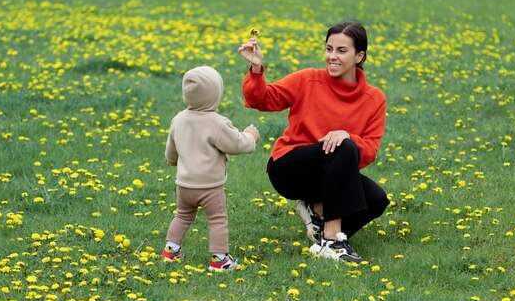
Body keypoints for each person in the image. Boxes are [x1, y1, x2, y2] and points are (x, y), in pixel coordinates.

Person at [237, 21, 390, 263]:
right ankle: (332, 239)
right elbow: (263, 100)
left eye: (342, 51)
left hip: (331, 174)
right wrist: (256, 69)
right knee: (342, 145)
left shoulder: (374, 99)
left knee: (377, 199)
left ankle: (318, 222)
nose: (332, 57)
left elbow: (370, 150)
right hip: (289, 167)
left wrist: (348, 135)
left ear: (359, 56)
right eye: (329, 49)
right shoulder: (308, 79)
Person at [162, 66, 260, 272]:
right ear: (216, 94)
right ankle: (220, 259)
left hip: (184, 185)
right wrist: (251, 136)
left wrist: (171, 161)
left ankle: (171, 251)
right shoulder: (217, 123)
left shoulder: (178, 119)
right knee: (217, 220)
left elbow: (172, 147)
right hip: (209, 187)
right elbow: (237, 144)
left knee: (182, 215)